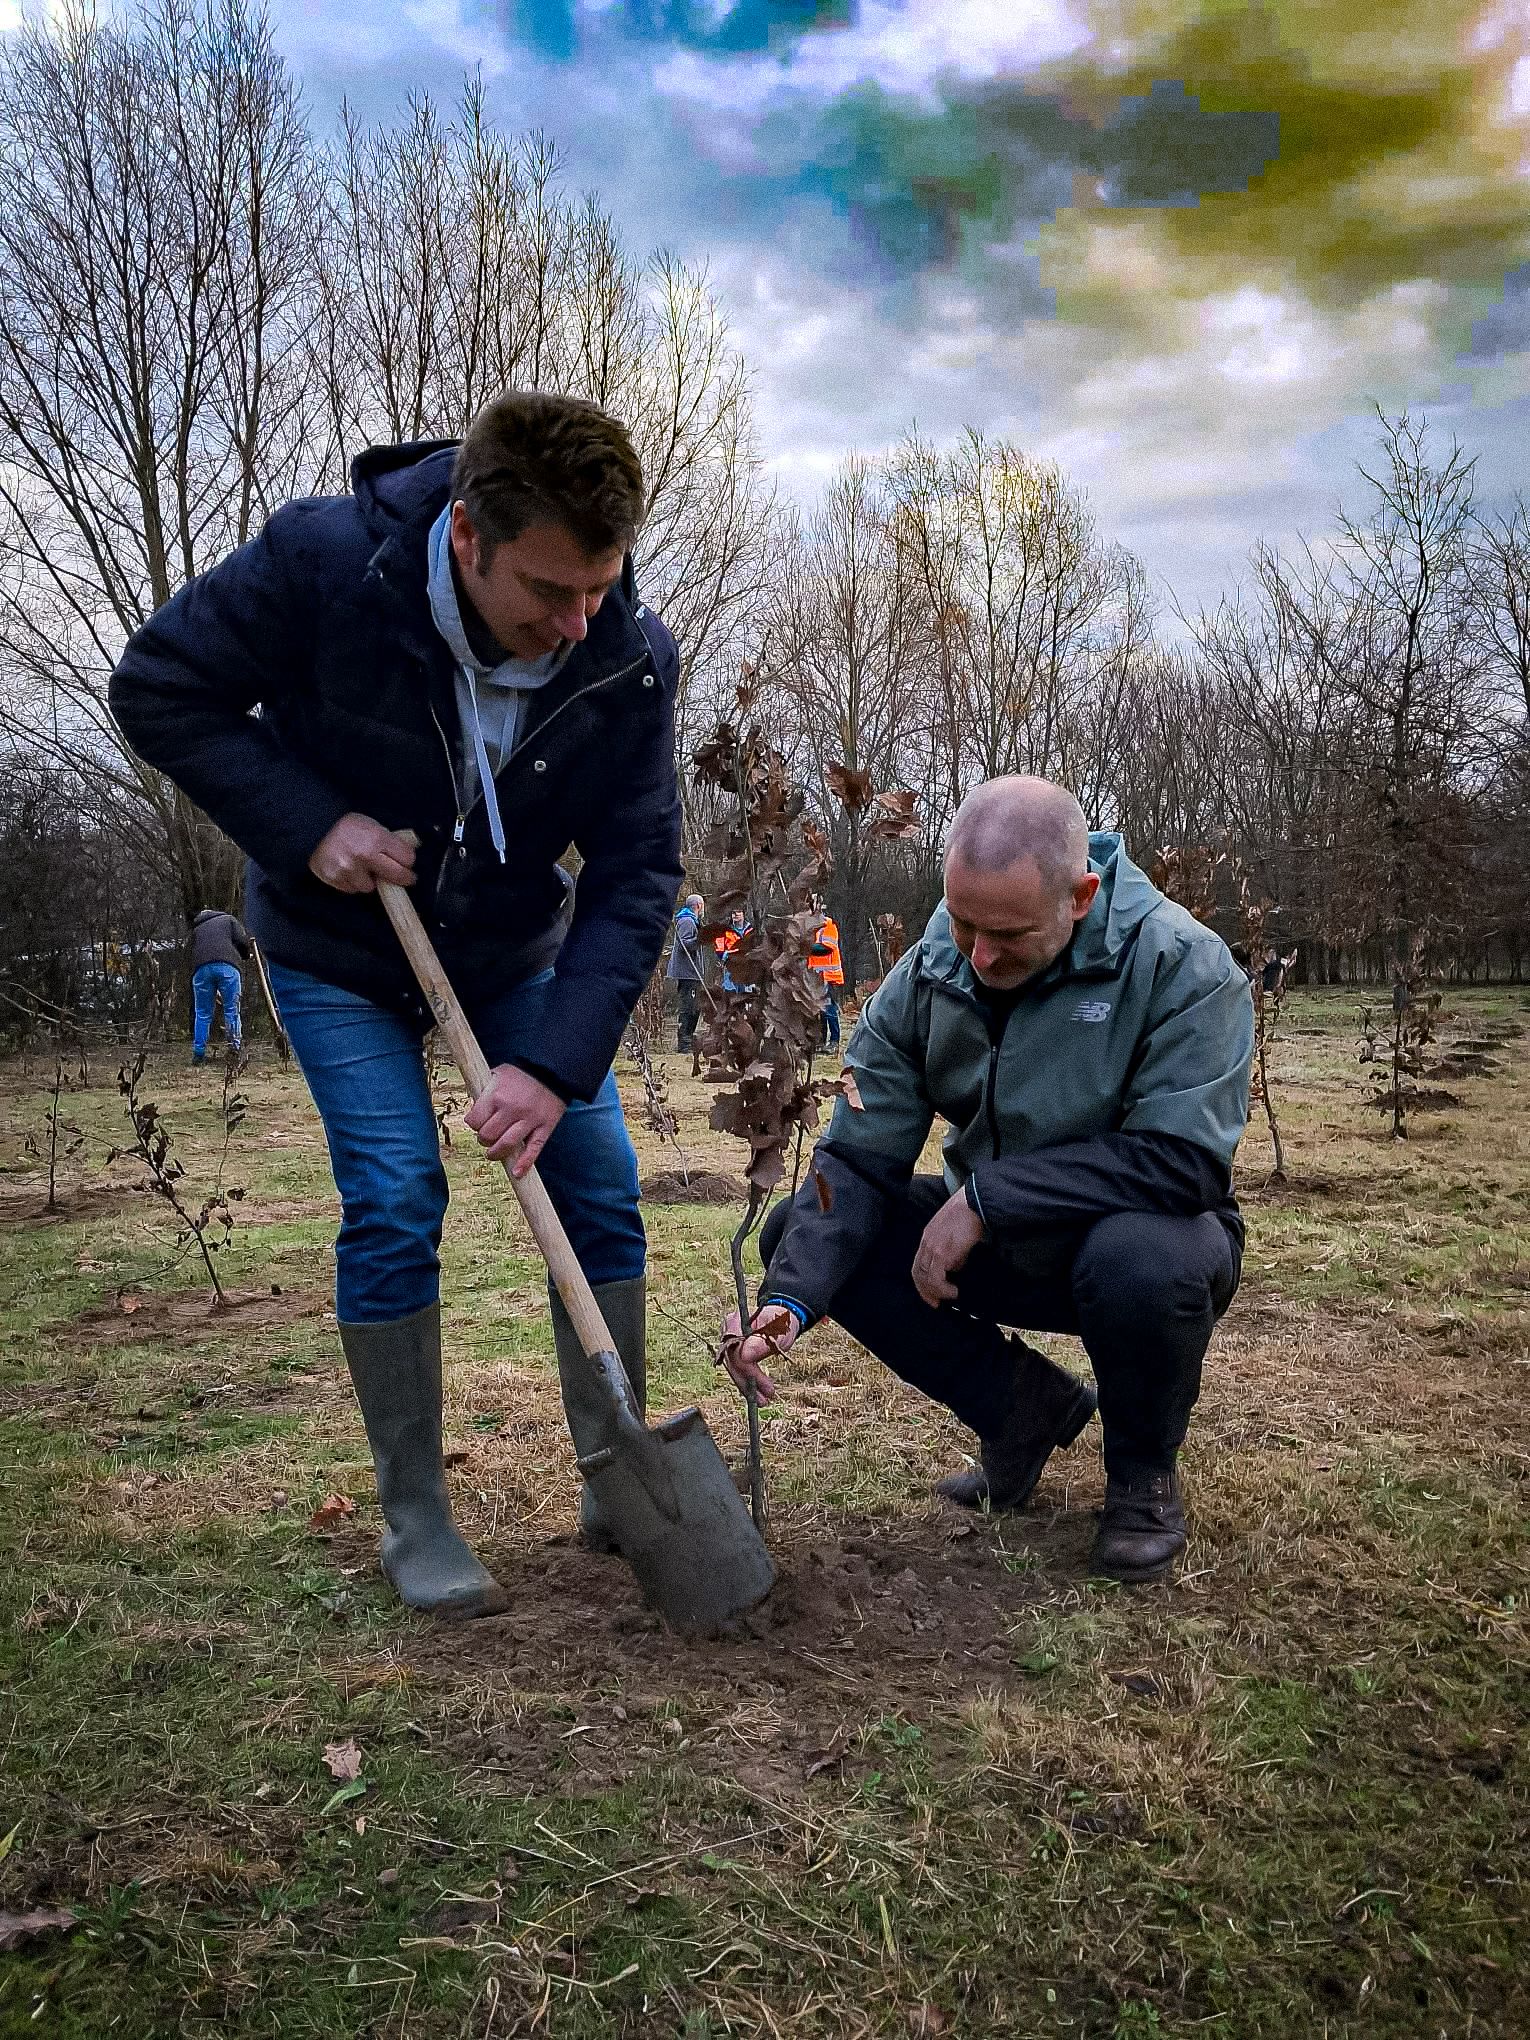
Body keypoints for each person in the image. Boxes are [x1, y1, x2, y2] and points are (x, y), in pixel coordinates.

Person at [110, 390, 683, 1618]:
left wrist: (556, 1063)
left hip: (515, 954)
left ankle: (619, 1475)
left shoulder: (629, 656)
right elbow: (158, 686)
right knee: (394, 1192)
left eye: (600, 586)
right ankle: (416, 1512)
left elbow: (639, 873)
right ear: (468, 537)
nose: (577, 624)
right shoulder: (325, 566)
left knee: (596, 1179)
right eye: (547, 594)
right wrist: (307, 826)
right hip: (336, 945)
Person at [724, 776, 1254, 1584]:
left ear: (1081, 896)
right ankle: (1019, 1415)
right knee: (799, 1228)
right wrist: (791, 1299)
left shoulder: (1184, 965)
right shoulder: (934, 964)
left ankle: (1141, 1478)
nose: (978, 955)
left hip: (1144, 1237)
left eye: (1007, 934)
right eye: (963, 921)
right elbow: (862, 1157)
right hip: (1001, 1246)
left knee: (1143, 1262)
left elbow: (1182, 1161)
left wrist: (986, 1199)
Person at [189, 906, 251, 1063]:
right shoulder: (228, 920)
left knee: (202, 1013)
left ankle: (198, 1054)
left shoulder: (197, 929)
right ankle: (234, 1049)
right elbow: (242, 941)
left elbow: (191, 951)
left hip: (201, 969)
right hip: (228, 966)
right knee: (231, 1009)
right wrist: (245, 956)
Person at [666, 892, 707, 1051]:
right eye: (702, 905)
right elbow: (684, 944)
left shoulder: (693, 921)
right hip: (687, 972)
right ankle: (684, 1043)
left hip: (692, 972)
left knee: (694, 1007)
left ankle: (688, 1040)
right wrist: (700, 939)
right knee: (689, 1007)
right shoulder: (687, 921)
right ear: (698, 906)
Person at [809, 902, 844, 1050]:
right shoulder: (812, 928)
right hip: (816, 975)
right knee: (820, 1010)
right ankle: (821, 1041)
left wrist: (806, 946)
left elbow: (826, 949)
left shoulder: (829, 926)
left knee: (829, 1009)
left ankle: (834, 1041)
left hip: (828, 976)